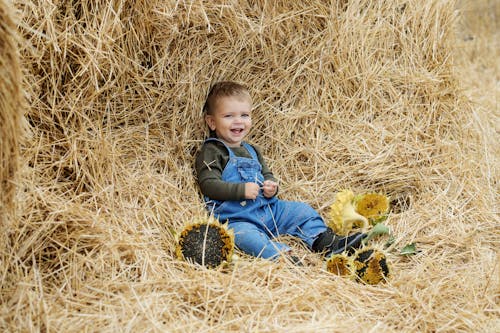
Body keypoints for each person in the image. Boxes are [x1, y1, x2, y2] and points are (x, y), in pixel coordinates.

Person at [195, 81, 365, 263]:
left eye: (244, 115)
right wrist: (241, 190)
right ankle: (284, 256)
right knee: (243, 236)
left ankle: (325, 241)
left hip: (269, 210)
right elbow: (208, 185)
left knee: (302, 211)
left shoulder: (252, 150)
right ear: (212, 122)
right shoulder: (213, 150)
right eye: (229, 116)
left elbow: (267, 175)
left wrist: (271, 187)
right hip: (238, 218)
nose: (238, 121)